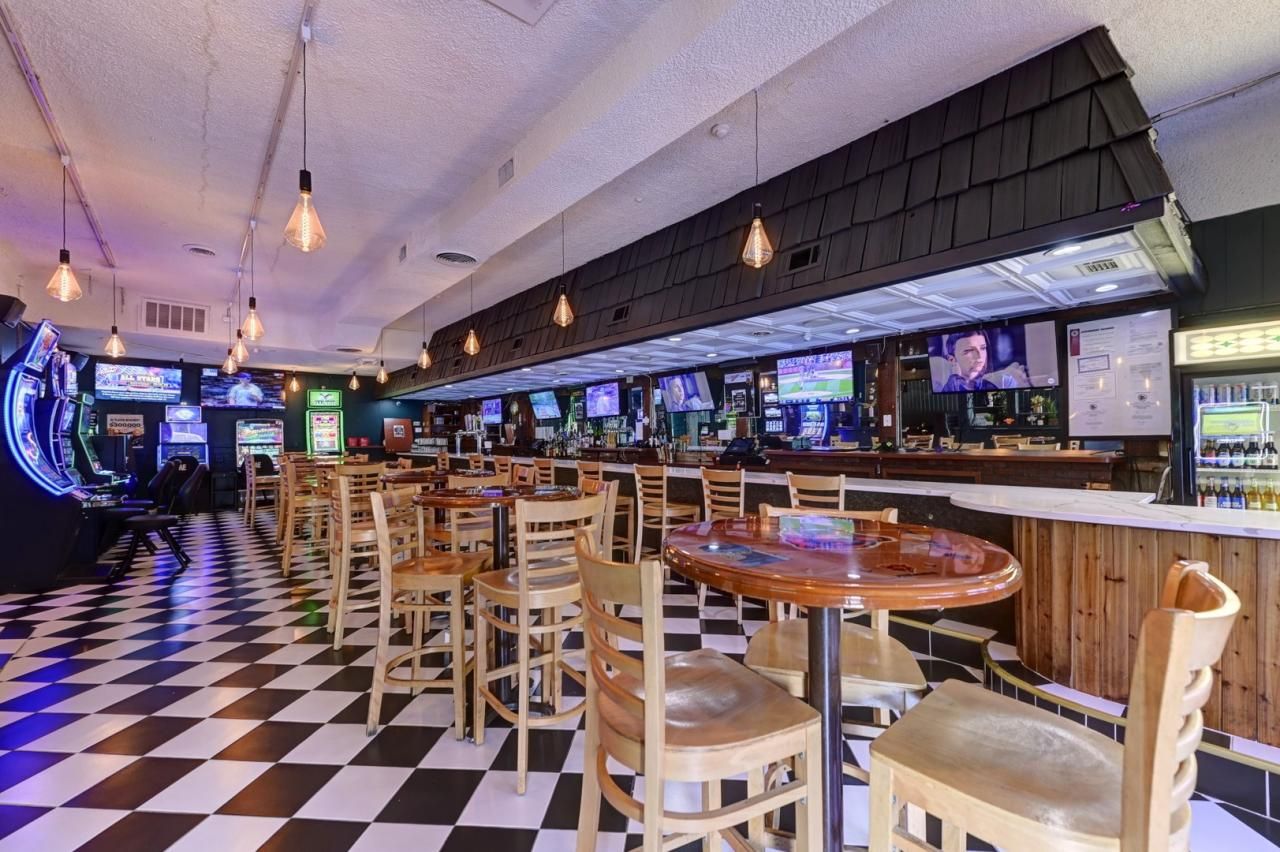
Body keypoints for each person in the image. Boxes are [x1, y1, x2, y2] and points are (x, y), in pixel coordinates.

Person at [937, 329, 1028, 392]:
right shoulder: (948, 389)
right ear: (952, 360)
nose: (980, 357)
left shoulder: (1001, 381)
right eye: (969, 351)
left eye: (983, 348)